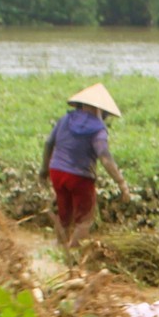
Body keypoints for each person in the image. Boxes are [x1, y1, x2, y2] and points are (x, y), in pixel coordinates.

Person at [41, 83, 130, 255]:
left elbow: (48, 143)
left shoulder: (65, 119)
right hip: (80, 177)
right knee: (84, 220)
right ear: (100, 110)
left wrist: (44, 170)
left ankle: (59, 250)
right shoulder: (98, 129)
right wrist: (121, 183)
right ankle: (73, 256)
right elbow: (104, 157)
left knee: (64, 215)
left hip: (57, 172)